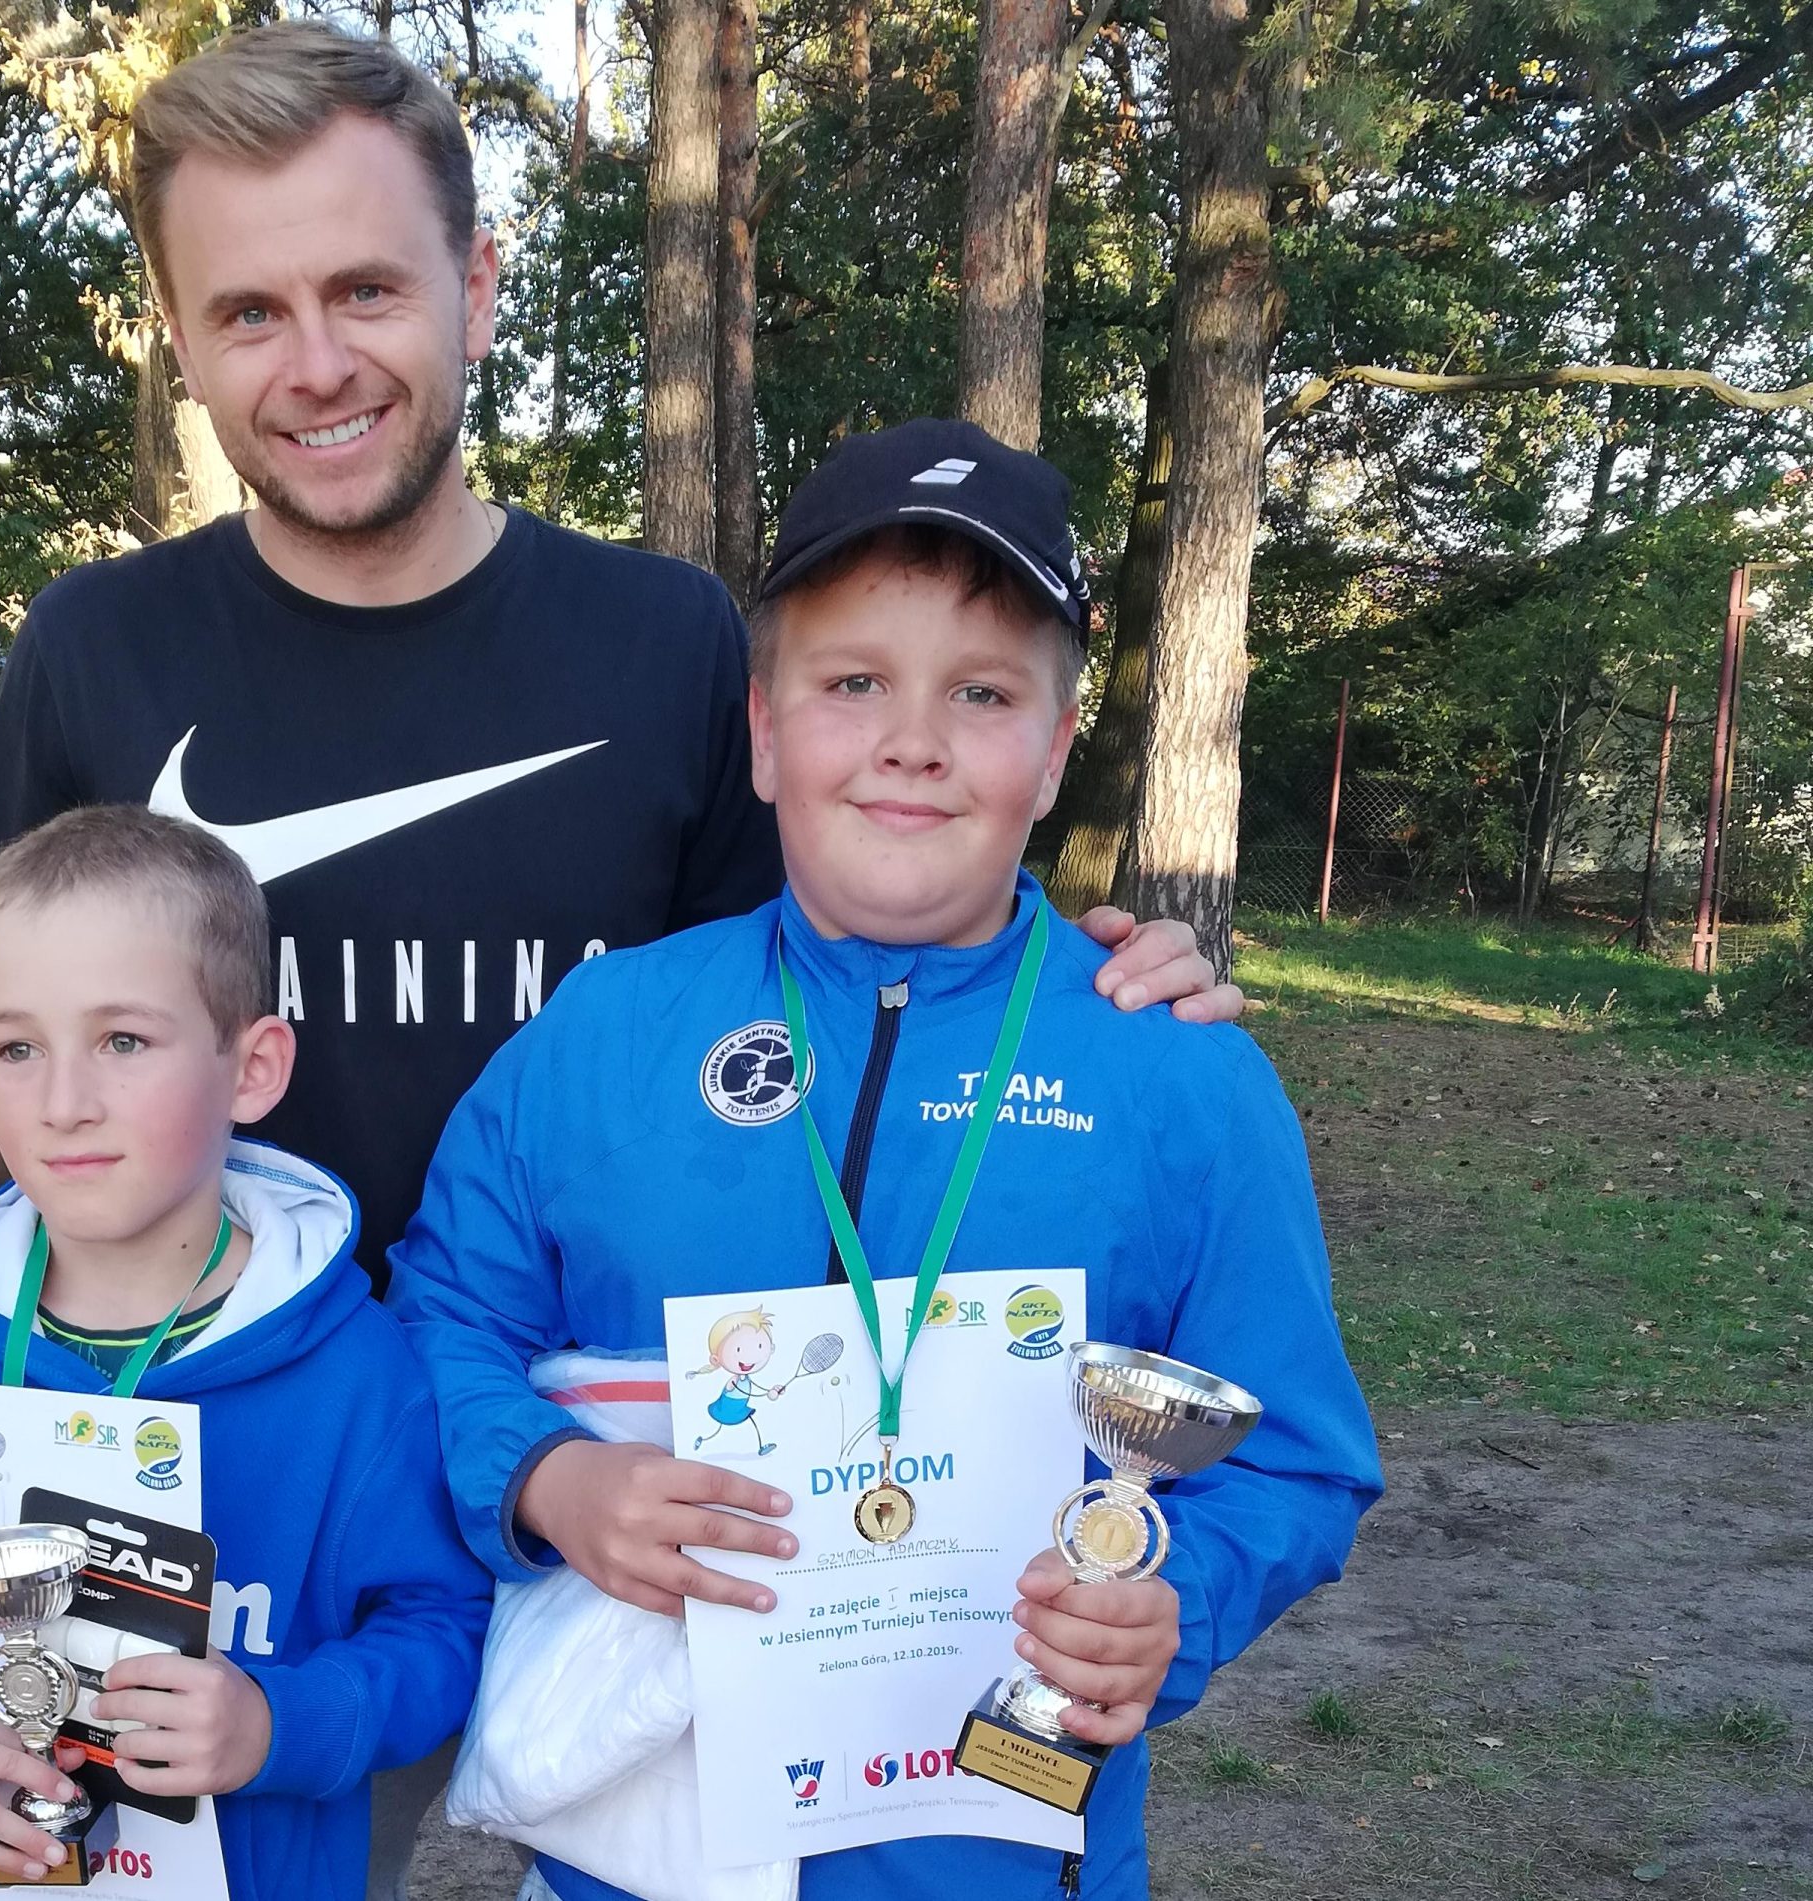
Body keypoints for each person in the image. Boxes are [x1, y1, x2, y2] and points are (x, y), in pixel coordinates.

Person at [0, 22, 1242, 1892]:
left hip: (620, 1495)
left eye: (369, 287)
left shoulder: (666, 645)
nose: (314, 363)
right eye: (246, 312)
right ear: (177, 329)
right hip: (244, 1494)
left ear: (476, 290)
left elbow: (823, 987)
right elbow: (3, 1004)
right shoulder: (94, 647)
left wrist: (1072, 980)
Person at [387, 418, 1384, 1901]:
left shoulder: (1182, 1081)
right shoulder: (606, 1034)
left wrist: (1173, 1600)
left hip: (997, 1854)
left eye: (981, 694)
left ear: (1052, 752)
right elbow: (440, 1317)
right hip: (633, 1854)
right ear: (767, 730)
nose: (913, 740)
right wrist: (548, 1479)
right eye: (854, 683)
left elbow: (1294, 1451)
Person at [0, 806, 489, 1900]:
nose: (64, 1103)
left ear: (252, 1066)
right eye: (17, 1047)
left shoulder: (359, 1373)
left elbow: (441, 1625)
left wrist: (279, 1722)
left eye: (123, 1040)